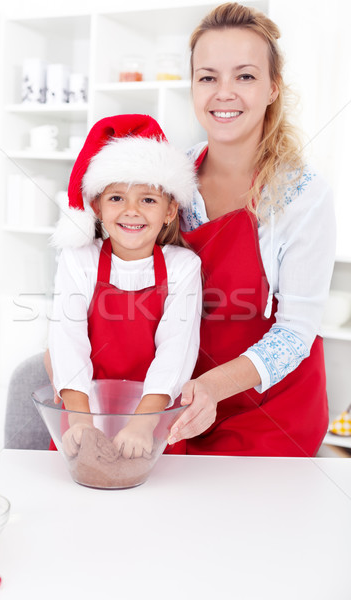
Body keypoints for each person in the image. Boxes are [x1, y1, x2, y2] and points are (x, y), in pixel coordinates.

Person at [166, 2, 336, 456]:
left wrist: (211, 387)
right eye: (208, 77)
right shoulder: (169, 179)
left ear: (272, 89)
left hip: (272, 411)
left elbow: (296, 332)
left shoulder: (302, 194)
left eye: (244, 76)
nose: (224, 93)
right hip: (180, 400)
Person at [48, 113, 202, 459]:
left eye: (147, 199)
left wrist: (143, 424)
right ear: (97, 207)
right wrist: (80, 419)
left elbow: (175, 351)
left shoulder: (183, 267)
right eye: (117, 198)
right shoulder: (79, 260)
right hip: (83, 414)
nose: (131, 211)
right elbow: (67, 340)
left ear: (169, 210)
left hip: (152, 422)